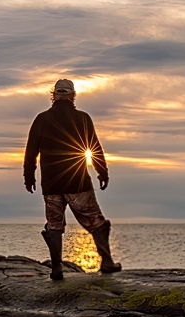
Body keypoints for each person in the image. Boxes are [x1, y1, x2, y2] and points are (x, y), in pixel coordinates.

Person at [23, 78, 121, 278]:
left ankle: (57, 268)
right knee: (95, 221)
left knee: (54, 224)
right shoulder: (83, 118)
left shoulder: (42, 119)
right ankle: (107, 262)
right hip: (77, 181)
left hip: (51, 183)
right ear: (72, 96)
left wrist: (29, 176)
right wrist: (102, 172)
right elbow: (94, 148)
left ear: (54, 95)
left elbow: (31, 151)